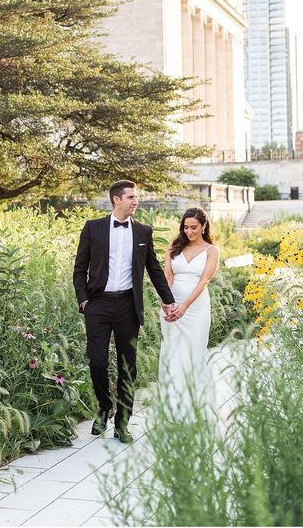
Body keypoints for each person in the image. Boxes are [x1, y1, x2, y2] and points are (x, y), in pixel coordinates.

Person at [73, 180, 177, 443]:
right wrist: (84, 301)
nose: (136, 201)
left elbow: (153, 268)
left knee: (127, 366)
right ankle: (105, 407)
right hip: (98, 304)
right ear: (116, 200)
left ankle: (122, 422)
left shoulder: (143, 232)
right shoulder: (93, 228)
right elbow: (79, 268)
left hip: (128, 307)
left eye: (136, 197)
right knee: (97, 361)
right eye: (131, 197)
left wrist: (169, 299)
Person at [159, 207, 220, 418]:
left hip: (196, 308)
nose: (189, 232)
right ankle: (173, 407)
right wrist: (165, 302)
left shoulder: (212, 251)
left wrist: (185, 305)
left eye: (193, 227)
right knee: (173, 353)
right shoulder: (173, 247)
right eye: (185, 227)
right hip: (171, 306)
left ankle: (197, 406)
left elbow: (204, 280)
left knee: (194, 353)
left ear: (203, 226)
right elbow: (168, 275)